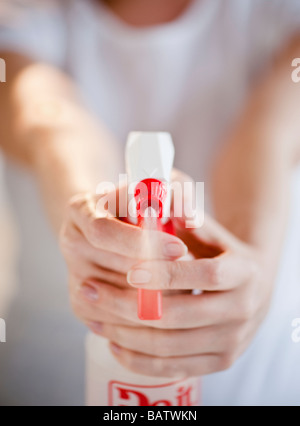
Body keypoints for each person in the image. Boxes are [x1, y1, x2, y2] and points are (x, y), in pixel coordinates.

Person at [0, 0, 300, 405]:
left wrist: (254, 266)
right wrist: (95, 222)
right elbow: (49, 121)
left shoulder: (280, 14)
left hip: (258, 386)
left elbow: (270, 132)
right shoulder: (25, 17)